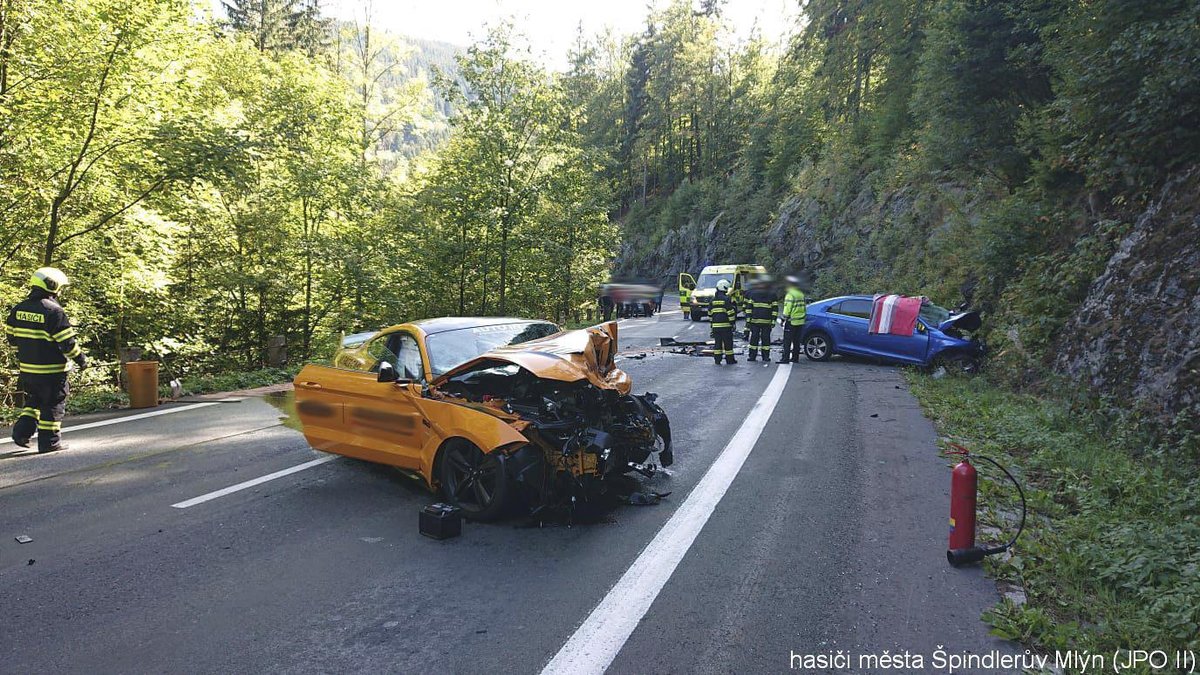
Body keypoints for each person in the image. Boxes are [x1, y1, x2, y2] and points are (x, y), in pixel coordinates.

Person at [5, 267, 85, 453]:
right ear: (52, 285)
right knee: (53, 404)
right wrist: (81, 360)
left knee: (34, 401)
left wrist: (27, 353)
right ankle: (50, 443)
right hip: (52, 371)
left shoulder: (18, 309)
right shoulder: (54, 312)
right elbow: (68, 343)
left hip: (28, 370)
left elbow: (12, 338)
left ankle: (21, 434)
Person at [745, 281, 778, 362]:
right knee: (766, 340)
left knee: (754, 340)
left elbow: (749, 309)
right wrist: (773, 321)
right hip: (767, 322)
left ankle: (752, 356)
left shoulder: (753, 294)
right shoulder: (772, 295)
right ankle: (765, 357)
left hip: (755, 322)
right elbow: (775, 309)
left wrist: (748, 321)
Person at [777, 276, 806, 364]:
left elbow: (787, 309)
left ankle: (785, 359)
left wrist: (783, 319)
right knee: (796, 341)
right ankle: (795, 358)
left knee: (787, 341)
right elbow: (804, 307)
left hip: (791, 321)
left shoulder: (790, 295)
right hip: (800, 321)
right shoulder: (800, 294)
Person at [710, 279, 736, 365]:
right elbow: (730, 313)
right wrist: (732, 323)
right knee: (728, 344)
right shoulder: (727, 299)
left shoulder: (712, 300)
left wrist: (712, 324)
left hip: (715, 327)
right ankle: (730, 360)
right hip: (726, 327)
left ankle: (717, 359)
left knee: (717, 344)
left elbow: (710, 313)